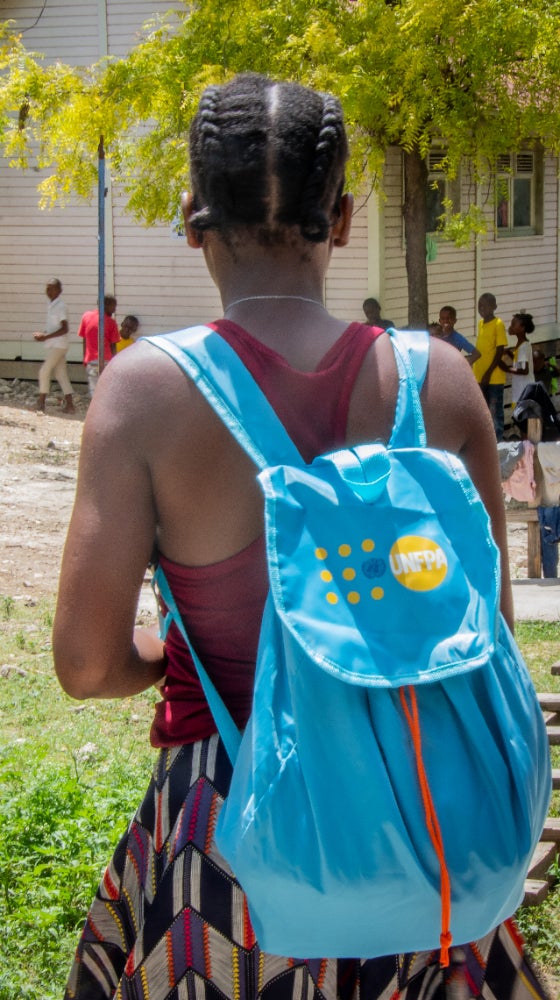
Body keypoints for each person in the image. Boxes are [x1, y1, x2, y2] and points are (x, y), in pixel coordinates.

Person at [52, 73, 547, 1000]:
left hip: (240, 844)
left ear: (193, 217)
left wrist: (172, 652)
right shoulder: (441, 383)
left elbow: (83, 665)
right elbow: (492, 641)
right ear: (346, 218)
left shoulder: (145, 393)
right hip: (429, 840)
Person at [33, 278, 75, 414]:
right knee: (61, 374)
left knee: (44, 371)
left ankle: (41, 403)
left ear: (59, 291)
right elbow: (54, 327)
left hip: (59, 345)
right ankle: (70, 405)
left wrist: (45, 337)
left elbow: (65, 328)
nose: (49, 291)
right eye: (47, 288)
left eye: (52, 288)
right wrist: (43, 334)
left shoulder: (61, 306)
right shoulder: (52, 305)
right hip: (57, 344)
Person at [472, 292, 508, 441]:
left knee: (494, 412)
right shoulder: (480, 324)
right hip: (480, 376)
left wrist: (488, 373)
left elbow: (499, 350)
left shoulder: (498, 324)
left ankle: (498, 442)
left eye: (486, 305)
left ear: (494, 307)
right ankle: (486, 442)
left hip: (493, 378)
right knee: (483, 411)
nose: (482, 308)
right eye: (480, 305)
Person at [77, 294, 120, 397]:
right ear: (106, 305)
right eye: (113, 306)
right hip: (106, 361)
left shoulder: (86, 316)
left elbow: (84, 339)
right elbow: (113, 345)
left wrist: (85, 358)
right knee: (106, 390)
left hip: (91, 361)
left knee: (94, 390)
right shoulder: (111, 322)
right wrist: (115, 363)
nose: (114, 310)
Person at [499, 313, 536, 403]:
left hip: (524, 391)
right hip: (523, 390)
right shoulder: (522, 344)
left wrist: (506, 368)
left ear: (522, 328)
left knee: (524, 416)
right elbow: (518, 361)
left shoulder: (523, 347)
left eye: (513, 325)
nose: (510, 327)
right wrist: (508, 352)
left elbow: (524, 370)